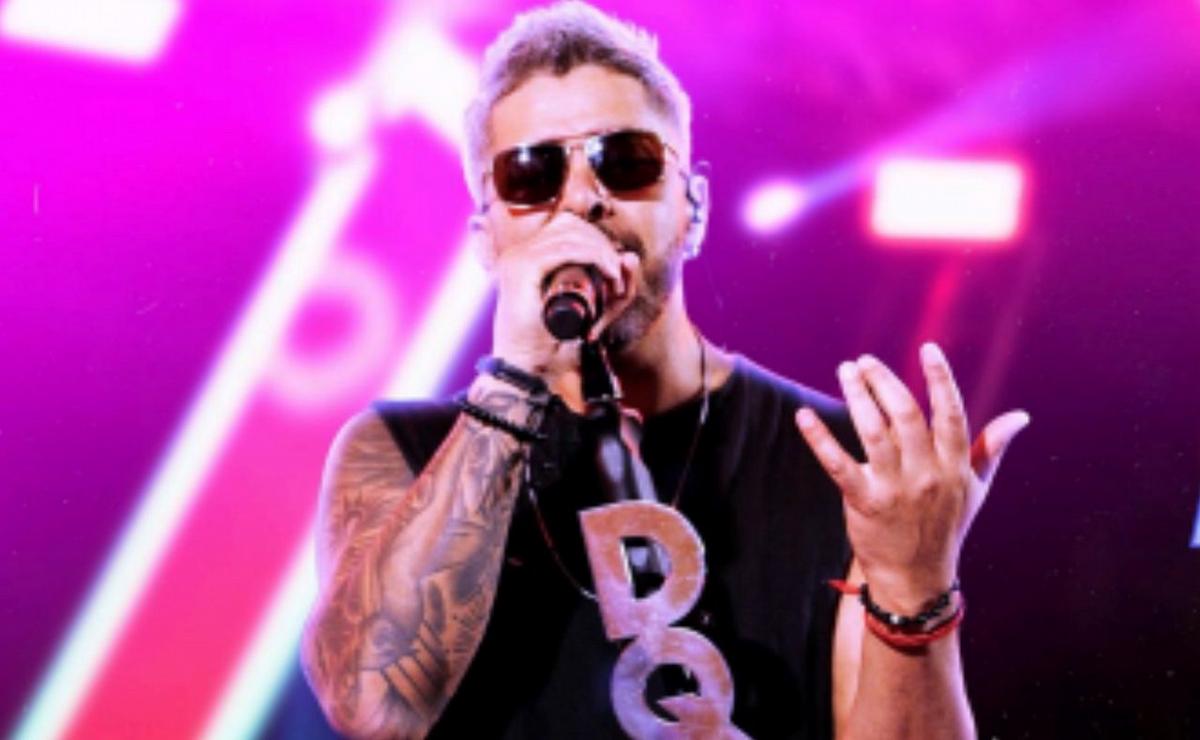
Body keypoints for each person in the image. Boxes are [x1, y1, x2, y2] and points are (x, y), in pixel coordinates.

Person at [300, 2, 1029, 737]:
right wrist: (513, 384)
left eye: (626, 162)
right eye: (531, 174)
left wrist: (912, 587)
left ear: (692, 209)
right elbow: (374, 707)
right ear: (487, 240)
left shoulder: (838, 462)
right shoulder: (398, 450)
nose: (582, 199)